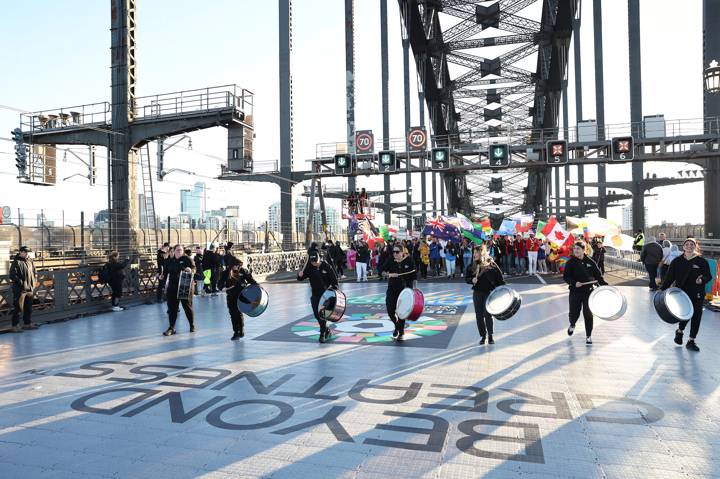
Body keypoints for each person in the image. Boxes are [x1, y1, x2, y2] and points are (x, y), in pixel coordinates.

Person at [659, 237, 713, 352]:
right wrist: (662, 289)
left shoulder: (701, 261)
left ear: (695, 246)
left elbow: (708, 276)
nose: (689, 246)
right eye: (687, 244)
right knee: (685, 314)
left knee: (696, 316)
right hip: (681, 293)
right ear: (683, 247)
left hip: (697, 293)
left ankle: (691, 340)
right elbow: (669, 277)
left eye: (692, 244)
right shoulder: (677, 261)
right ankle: (680, 331)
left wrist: (702, 280)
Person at [563, 241, 608, 345]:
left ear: (584, 250)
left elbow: (599, 277)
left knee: (588, 314)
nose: (576, 251)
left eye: (578, 249)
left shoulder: (591, 262)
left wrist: (606, 287)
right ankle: (572, 324)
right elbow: (566, 277)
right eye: (574, 249)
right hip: (575, 291)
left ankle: (588, 336)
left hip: (588, 292)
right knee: (574, 312)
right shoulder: (570, 262)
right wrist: (574, 283)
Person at [465, 243, 505, 345]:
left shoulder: (491, 264)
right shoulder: (473, 265)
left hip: (489, 293)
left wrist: (501, 291)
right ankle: (483, 336)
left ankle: (490, 336)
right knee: (479, 316)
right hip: (477, 293)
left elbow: (500, 278)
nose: (474, 254)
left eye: (476, 252)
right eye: (474, 252)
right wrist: (471, 280)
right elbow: (467, 278)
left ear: (482, 253)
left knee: (487, 315)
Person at [297, 251, 338, 343]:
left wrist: (333, 290)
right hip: (315, 295)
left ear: (319, 258)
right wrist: (299, 275)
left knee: (322, 315)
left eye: (315, 261)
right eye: (312, 261)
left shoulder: (326, 266)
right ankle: (326, 330)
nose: (314, 263)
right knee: (317, 315)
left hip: (326, 296)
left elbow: (335, 281)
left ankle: (322, 333)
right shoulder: (310, 268)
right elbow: (300, 278)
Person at [219, 253, 257, 340]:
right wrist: (222, 288)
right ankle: (236, 332)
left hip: (242, 296)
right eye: (234, 265)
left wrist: (258, 287)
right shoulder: (226, 273)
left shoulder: (243, 271)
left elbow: (252, 281)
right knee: (233, 314)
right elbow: (220, 283)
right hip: (231, 296)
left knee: (239, 313)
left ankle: (241, 330)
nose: (236, 267)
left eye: (237, 265)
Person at [382, 245, 416, 341]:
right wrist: (388, 274)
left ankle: (401, 332)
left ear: (402, 252)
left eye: (397, 252)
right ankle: (396, 325)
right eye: (394, 252)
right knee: (390, 310)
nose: (395, 254)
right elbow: (382, 270)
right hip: (392, 289)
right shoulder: (390, 260)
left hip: (404, 291)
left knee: (401, 312)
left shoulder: (409, 260)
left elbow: (414, 276)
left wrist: (415, 289)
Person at [163, 244, 195, 336]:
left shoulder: (187, 259)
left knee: (187, 307)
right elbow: (165, 272)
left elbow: (194, 269)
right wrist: (161, 276)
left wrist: (190, 270)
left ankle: (192, 325)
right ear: (173, 251)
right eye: (177, 250)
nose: (179, 252)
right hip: (172, 287)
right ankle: (171, 328)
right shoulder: (170, 261)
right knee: (172, 309)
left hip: (184, 286)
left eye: (180, 250)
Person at [9, 246, 38, 332]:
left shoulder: (30, 261)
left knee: (28, 307)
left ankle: (27, 324)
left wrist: (34, 281)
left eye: (27, 252)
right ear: (20, 252)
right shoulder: (16, 262)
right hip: (20, 289)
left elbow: (35, 271)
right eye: (25, 252)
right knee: (18, 307)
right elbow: (12, 275)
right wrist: (21, 283)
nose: (26, 254)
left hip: (29, 288)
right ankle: (15, 326)